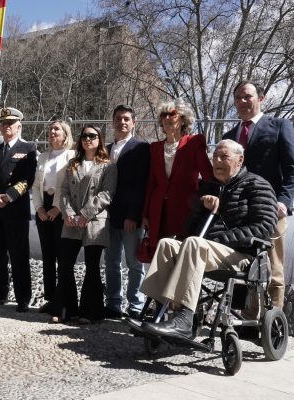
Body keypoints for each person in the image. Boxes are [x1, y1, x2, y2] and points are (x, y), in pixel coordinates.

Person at [138, 139, 278, 339]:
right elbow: (189, 230)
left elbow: (264, 227)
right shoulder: (208, 187)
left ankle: (185, 319)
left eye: (224, 157)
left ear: (240, 160)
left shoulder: (257, 185)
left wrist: (221, 239)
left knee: (195, 244)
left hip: (242, 255)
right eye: (214, 157)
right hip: (205, 250)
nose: (217, 161)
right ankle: (158, 312)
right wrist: (198, 208)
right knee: (167, 244)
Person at [223, 80, 294, 313]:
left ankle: (273, 321)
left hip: (270, 208)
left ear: (261, 98)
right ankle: (246, 317)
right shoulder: (230, 134)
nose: (242, 102)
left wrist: (284, 201)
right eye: (238, 98)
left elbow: (292, 168)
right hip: (238, 210)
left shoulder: (279, 126)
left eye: (247, 96)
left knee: (273, 266)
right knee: (242, 264)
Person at [50, 125, 116, 324]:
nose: (88, 139)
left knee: (92, 267)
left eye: (93, 136)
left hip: (95, 221)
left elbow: (106, 194)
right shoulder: (73, 164)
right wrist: (69, 213)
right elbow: (63, 192)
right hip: (71, 220)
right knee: (65, 264)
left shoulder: (108, 166)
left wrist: (85, 214)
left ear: (100, 140)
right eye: (85, 136)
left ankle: (90, 312)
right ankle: (65, 310)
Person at [0, 107, 38, 312]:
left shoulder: (29, 148)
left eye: (10, 124)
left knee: (19, 255)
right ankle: (0, 293)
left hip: (15, 210)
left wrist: (9, 196)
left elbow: (28, 179)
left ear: (19, 126)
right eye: (3, 124)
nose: (6, 127)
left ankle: (23, 298)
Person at [141, 99, 213, 253]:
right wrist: (145, 213)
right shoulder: (154, 148)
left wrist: (206, 206)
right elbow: (151, 182)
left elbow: (209, 177)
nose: (166, 118)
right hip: (158, 209)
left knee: (182, 254)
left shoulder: (194, 142)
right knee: (158, 254)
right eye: (163, 115)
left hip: (185, 209)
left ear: (182, 119)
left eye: (171, 114)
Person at [104, 104, 150, 319]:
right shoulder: (105, 149)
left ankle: (135, 305)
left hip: (130, 216)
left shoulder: (141, 148)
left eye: (126, 119)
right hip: (108, 216)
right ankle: (113, 303)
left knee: (134, 263)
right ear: (113, 121)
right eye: (118, 118)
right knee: (111, 261)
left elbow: (141, 184)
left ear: (134, 123)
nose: (122, 122)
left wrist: (133, 215)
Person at [32, 119, 75, 312]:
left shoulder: (72, 156)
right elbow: (35, 185)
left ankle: (63, 300)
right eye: (50, 129)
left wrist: (57, 208)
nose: (52, 132)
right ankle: (50, 299)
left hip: (62, 208)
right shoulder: (42, 157)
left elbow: (71, 186)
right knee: (47, 256)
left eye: (56, 129)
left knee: (62, 257)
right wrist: (39, 208)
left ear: (65, 134)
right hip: (44, 208)